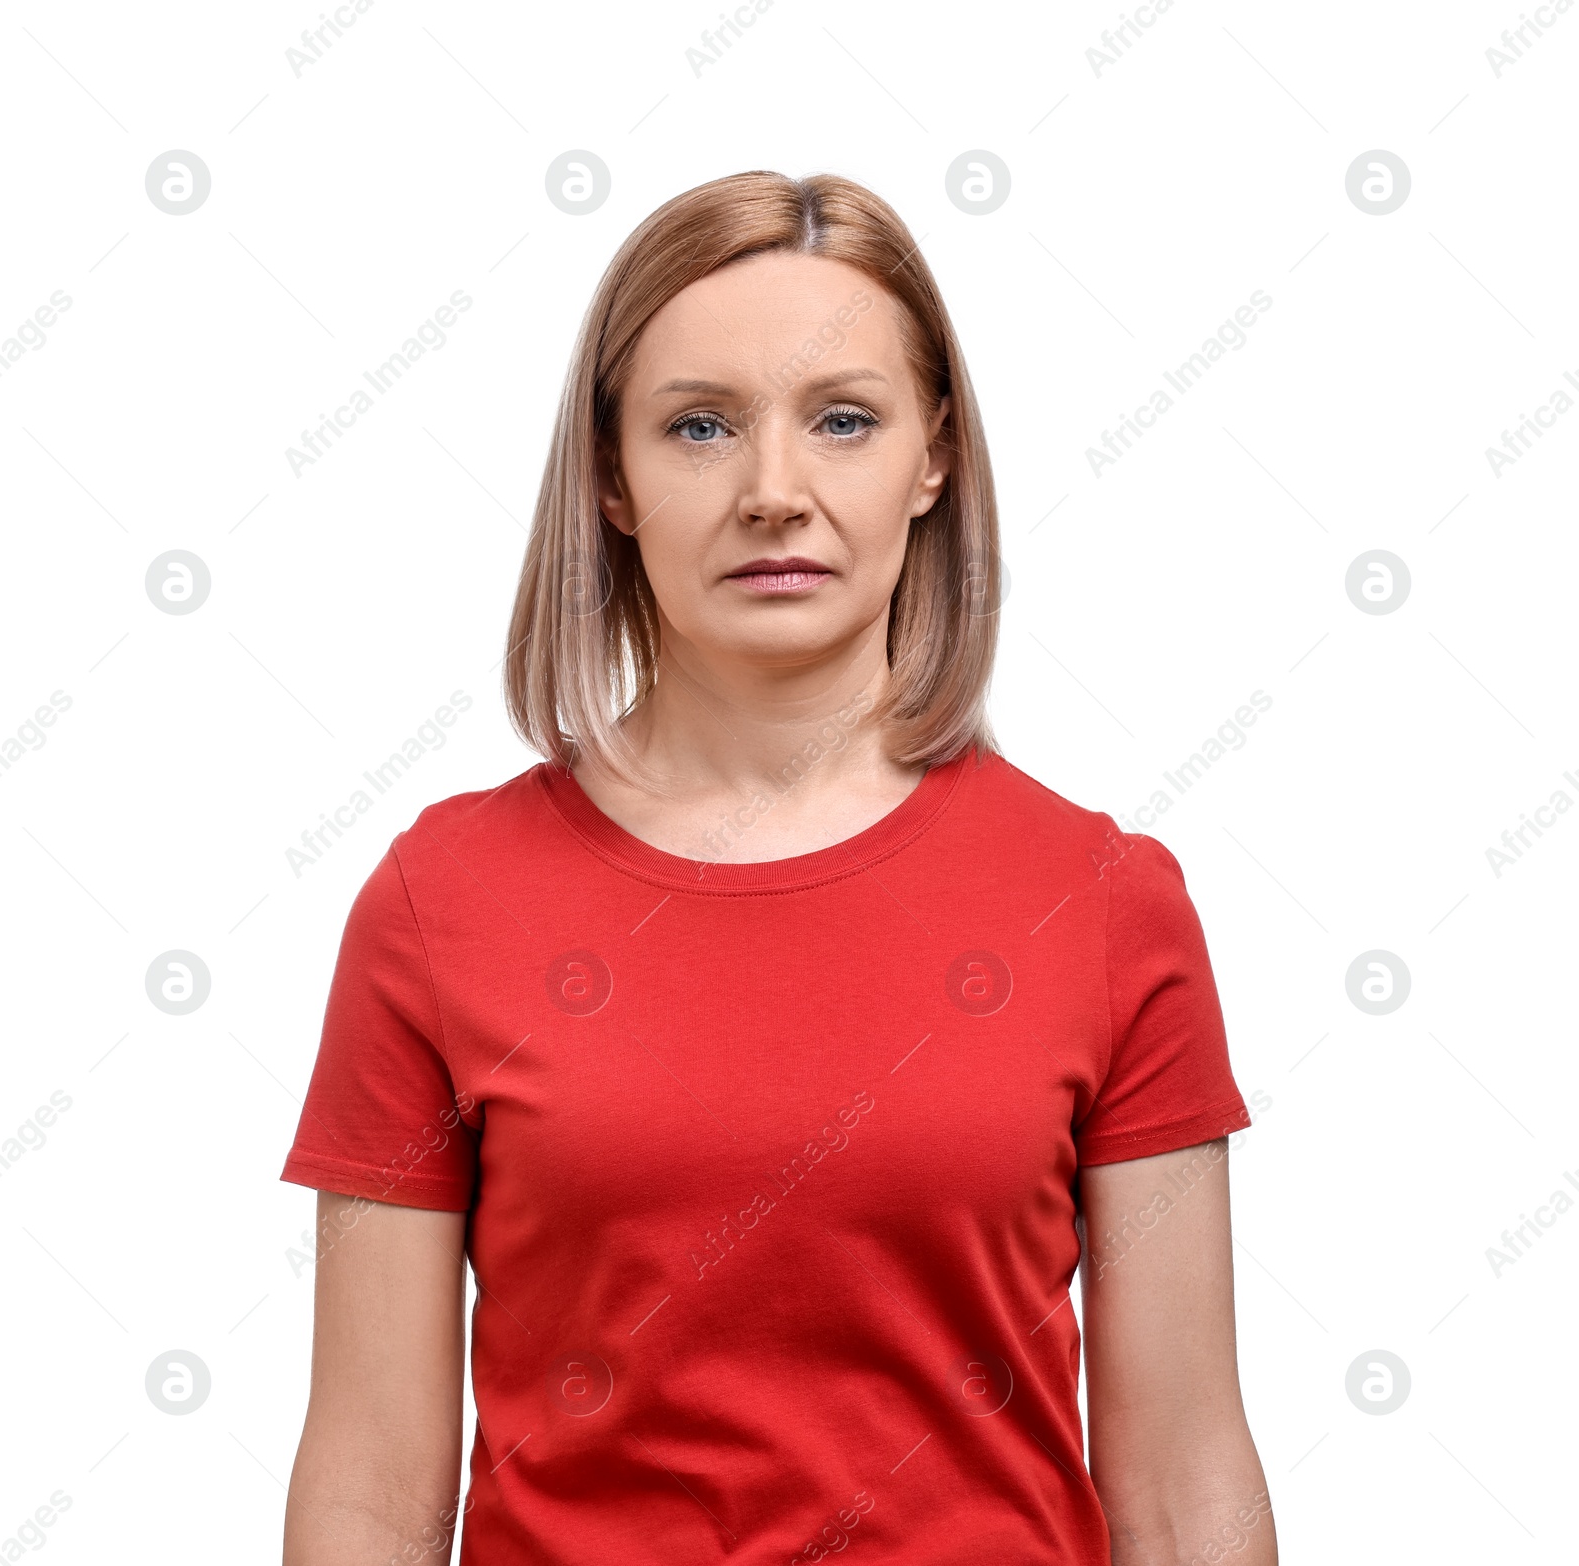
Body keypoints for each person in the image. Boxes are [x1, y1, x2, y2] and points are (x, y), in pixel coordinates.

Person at [280, 170, 1276, 1566]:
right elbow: (371, 1487)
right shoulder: (439, 905)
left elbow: (1182, 1482)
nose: (774, 492)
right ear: (614, 477)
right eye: (700, 425)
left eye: (843, 421)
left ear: (932, 455)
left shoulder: (1106, 902)